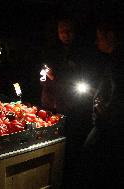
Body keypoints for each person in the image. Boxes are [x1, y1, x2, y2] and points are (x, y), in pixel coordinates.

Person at [40, 17, 93, 189]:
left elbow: (81, 74)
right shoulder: (52, 50)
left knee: (71, 139)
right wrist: (47, 77)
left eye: (69, 31)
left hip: (72, 101)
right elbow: (44, 71)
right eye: (62, 31)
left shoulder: (81, 52)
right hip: (53, 99)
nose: (65, 35)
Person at [81, 21, 124, 188]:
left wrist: (104, 110)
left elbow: (119, 92)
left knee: (92, 159)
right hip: (107, 121)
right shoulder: (113, 59)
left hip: (108, 125)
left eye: (99, 37)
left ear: (111, 36)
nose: (96, 41)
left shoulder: (118, 62)